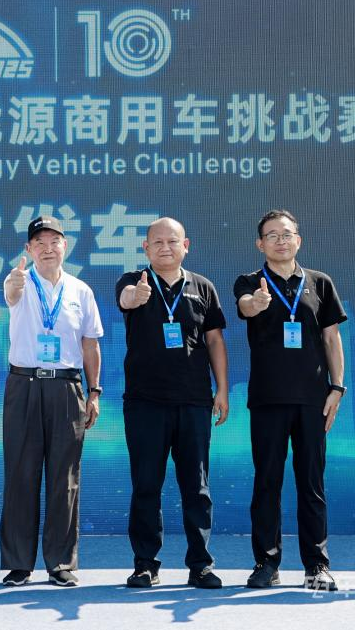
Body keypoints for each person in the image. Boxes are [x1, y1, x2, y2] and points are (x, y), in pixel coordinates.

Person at [234, 210, 345, 591]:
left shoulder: (320, 282)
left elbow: (331, 338)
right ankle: (267, 562)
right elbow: (246, 306)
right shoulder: (249, 282)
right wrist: (257, 303)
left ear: (298, 240)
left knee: (311, 483)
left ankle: (317, 565)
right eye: (272, 235)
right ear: (260, 244)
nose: (280, 241)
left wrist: (337, 387)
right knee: (267, 482)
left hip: (313, 399)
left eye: (286, 234)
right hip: (267, 399)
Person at [116, 217, 228, 589]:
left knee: (197, 487)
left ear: (186, 246)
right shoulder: (133, 280)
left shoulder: (203, 287)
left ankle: (201, 564)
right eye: (158, 242)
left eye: (173, 241)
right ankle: (145, 564)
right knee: (146, 485)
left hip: (194, 401)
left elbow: (214, 341)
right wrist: (136, 297)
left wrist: (222, 389)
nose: (166, 247)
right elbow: (126, 300)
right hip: (145, 403)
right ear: (145, 248)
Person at [0, 215, 103, 588]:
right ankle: (18, 563)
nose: (47, 249)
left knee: (65, 478)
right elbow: (11, 296)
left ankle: (60, 562)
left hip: (66, 387)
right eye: (39, 243)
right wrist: (13, 286)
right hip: (24, 384)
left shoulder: (80, 290)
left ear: (65, 246)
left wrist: (94, 391)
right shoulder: (19, 282)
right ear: (28, 249)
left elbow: (90, 344)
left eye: (54, 241)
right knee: (21, 474)